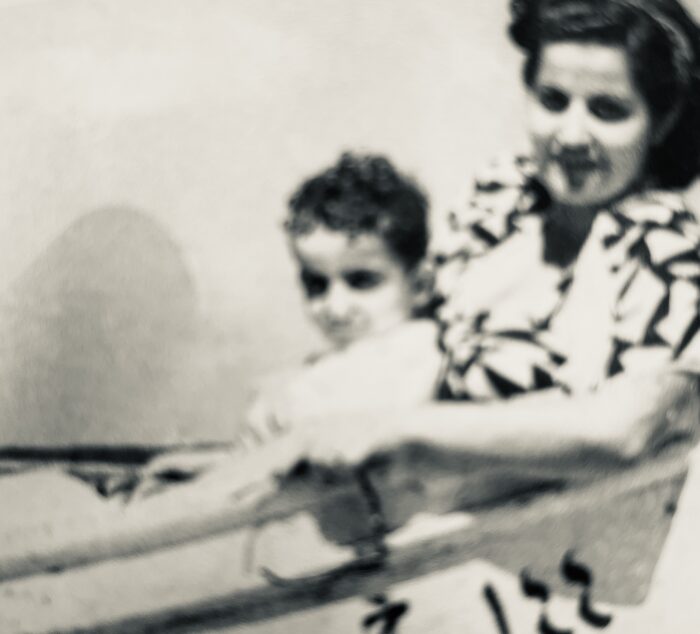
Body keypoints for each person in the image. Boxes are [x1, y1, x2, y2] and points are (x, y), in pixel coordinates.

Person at [201, 0, 700, 536]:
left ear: (663, 119)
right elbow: (413, 336)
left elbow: (622, 431)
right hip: (394, 515)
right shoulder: (506, 196)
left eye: (608, 110)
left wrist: (399, 430)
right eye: (553, 101)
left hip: (533, 547)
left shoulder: (665, 246)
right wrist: (272, 435)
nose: (571, 136)